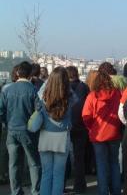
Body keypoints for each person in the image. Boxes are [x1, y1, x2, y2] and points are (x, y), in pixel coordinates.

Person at [28, 66, 77, 195]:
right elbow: (76, 99)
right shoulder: (69, 96)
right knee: (59, 174)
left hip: (45, 137)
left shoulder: (44, 96)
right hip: (62, 138)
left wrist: (47, 82)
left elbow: (39, 94)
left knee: (46, 173)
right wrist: (65, 85)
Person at [0, 61, 41, 195]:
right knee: (33, 163)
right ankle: (35, 191)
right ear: (30, 74)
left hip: (11, 130)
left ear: (17, 73)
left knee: (14, 164)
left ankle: (16, 191)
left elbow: (1, 110)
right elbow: (39, 112)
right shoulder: (33, 90)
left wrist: (7, 121)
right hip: (28, 131)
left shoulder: (7, 89)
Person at [82, 70, 122, 195]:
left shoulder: (92, 96)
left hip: (98, 135)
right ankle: (116, 191)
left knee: (101, 165)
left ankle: (103, 191)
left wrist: (91, 128)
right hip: (114, 133)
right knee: (114, 163)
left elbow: (86, 116)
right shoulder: (117, 94)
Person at [66, 65, 90, 193]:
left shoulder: (64, 88)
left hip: (66, 126)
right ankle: (79, 185)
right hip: (81, 125)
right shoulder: (84, 87)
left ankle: (62, 183)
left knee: (63, 156)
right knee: (79, 157)